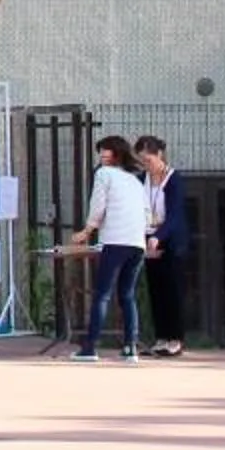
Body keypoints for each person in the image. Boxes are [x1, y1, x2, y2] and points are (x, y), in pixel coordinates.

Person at [72, 135, 149, 362]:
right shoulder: (134, 180)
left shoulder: (104, 174)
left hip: (116, 241)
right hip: (137, 244)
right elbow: (147, 213)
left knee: (102, 295)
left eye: (105, 151)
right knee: (127, 296)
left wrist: (87, 231)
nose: (102, 155)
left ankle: (89, 348)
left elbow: (98, 205)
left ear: (116, 153)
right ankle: (130, 348)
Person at [134, 135, 193, 357]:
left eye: (148, 160)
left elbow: (175, 215)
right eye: (142, 162)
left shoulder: (173, 179)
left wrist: (159, 235)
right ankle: (161, 337)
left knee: (173, 290)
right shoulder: (142, 180)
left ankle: (175, 338)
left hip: (171, 241)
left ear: (159, 155)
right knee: (156, 289)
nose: (146, 166)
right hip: (149, 238)